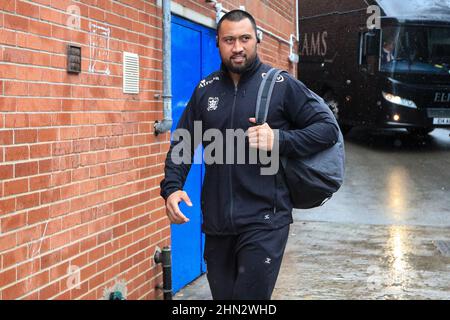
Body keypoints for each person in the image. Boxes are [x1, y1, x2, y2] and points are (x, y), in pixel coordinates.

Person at [160, 10, 339, 300]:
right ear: (217, 42)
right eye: (229, 40)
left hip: (265, 220)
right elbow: (183, 142)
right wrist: (172, 188)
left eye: (245, 38)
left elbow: (327, 129)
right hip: (217, 223)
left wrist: (279, 139)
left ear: (257, 39)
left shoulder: (280, 85)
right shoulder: (206, 90)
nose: (238, 47)